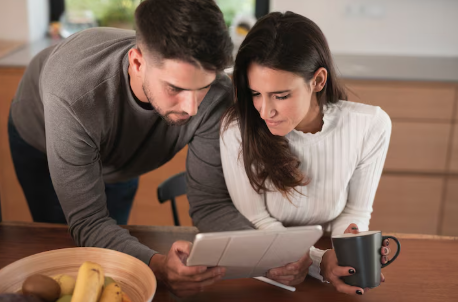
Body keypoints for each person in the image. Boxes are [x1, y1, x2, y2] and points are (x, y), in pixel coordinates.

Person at [8, 0, 254, 297]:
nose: (191, 109)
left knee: (115, 257)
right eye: (175, 88)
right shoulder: (75, 92)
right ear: (137, 63)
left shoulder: (216, 95)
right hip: (41, 137)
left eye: (202, 87)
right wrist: (160, 266)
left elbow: (209, 204)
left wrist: (270, 251)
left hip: (123, 149)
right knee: (58, 249)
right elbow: (89, 222)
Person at [220, 11, 392, 295]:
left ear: (318, 81)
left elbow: (354, 211)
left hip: (320, 259)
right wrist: (319, 261)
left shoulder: (370, 126)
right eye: (255, 93)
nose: (265, 111)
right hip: (265, 267)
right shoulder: (237, 129)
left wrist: (348, 254)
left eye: (281, 95)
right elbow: (258, 221)